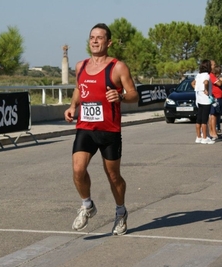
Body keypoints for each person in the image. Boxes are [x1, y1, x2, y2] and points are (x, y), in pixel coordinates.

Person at [64, 23, 139, 235]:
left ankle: (121, 212)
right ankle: (87, 206)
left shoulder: (118, 67)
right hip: (85, 128)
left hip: (110, 131)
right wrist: (72, 106)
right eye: (92, 37)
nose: (95, 41)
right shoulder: (80, 66)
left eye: (99, 38)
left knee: (113, 176)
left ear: (109, 42)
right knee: (78, 170)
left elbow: (134, 94)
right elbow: (80, 88)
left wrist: (121, 96)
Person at [191, 59, 215, 144]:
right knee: (204, 120)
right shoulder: (207, 75)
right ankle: (205, 138)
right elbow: (206, 82)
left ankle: (198, 137)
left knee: (199, 119)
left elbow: (192, 83)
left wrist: (197, 90)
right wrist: (205, 90)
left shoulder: (198, 75)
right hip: (206, 100)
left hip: (199, 99)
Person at [209, 65, 222, 139]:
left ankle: (215, 131)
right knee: (213, 115)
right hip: (215, 97)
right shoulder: (212, 76)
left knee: (217, 115)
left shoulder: (215, 76)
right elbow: (219, 83)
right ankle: (213, 132)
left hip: (219, 97)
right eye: (218, 73)